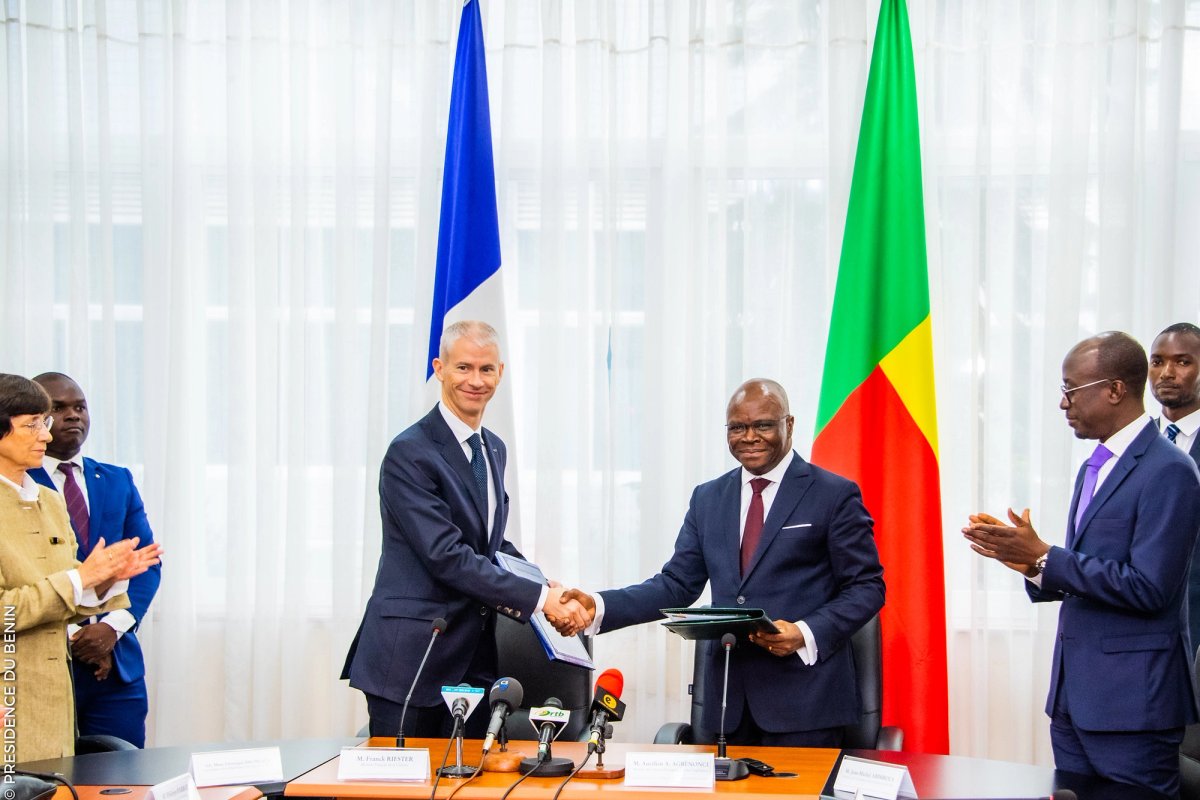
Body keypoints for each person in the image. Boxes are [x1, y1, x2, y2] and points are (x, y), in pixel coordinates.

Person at [555, 379, 885, 747]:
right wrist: (598, 604)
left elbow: (866, 587)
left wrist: (804, 632)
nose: (749, 437)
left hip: (806, 703)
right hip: (724, 704)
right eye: (737, 427)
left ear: (789, 425)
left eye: (763, 425)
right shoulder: (708, 498)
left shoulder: (833, 494)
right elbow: (676, 584)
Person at [964, 331, 1200, 797]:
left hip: (1133, 705)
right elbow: (1087, 570)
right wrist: (1031, 564)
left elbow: (1150, 587)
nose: (1062, 404)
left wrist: (1048, 557)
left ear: (1114, 390)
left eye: (1071, 390)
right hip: (1075, 699)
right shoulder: (1095, 464)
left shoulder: (1169, 469)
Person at [341, 321, 586, 739]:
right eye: (463, 368)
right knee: (404, 790)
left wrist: (545, 583)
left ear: (500, 373)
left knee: (468, 782)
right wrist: (543, 599)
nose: (475, 380)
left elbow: (490, 542)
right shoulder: (410, 453)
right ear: (439, 368)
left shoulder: (492, 448)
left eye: (486, 369)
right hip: (412, 660)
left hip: (472, 659)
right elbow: (447, 555)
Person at [0, 374, 162, 762]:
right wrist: (82, 578)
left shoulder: (49, 501)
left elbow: (73, 585)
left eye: (45, 421)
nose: (46, 432)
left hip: (54, 702)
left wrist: (107, 579)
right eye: (33, 423)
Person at [1148, 322, 1200, 653]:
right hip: (1145, 636)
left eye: (1183, 362)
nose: (1167, 372)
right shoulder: (1132, 444)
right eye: (1157, 361)